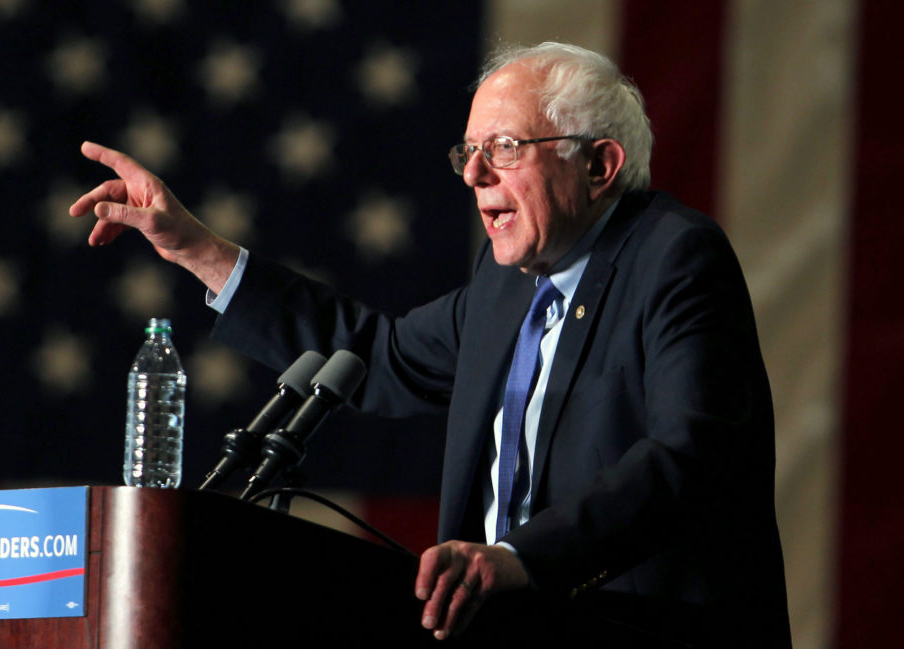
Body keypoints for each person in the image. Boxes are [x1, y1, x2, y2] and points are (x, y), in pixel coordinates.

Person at [70, 42, 791, 646]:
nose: (475, 175)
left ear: (599, 165)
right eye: (470, 151)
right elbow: (374, 356)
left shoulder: (674, 258)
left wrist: (514, 559)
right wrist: (196, 247)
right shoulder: (506, 286)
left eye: (505, 148)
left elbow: (690, 456)